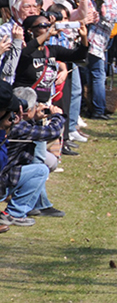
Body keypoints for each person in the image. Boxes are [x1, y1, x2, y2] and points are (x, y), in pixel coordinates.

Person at [0, 84, 63, 227]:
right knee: (41, 170)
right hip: (2, 183)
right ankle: (14, 213)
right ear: (25, 110)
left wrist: (34, 119)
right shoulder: (19, 126)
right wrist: (57, 116)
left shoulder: (13, 123)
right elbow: (52, 132)